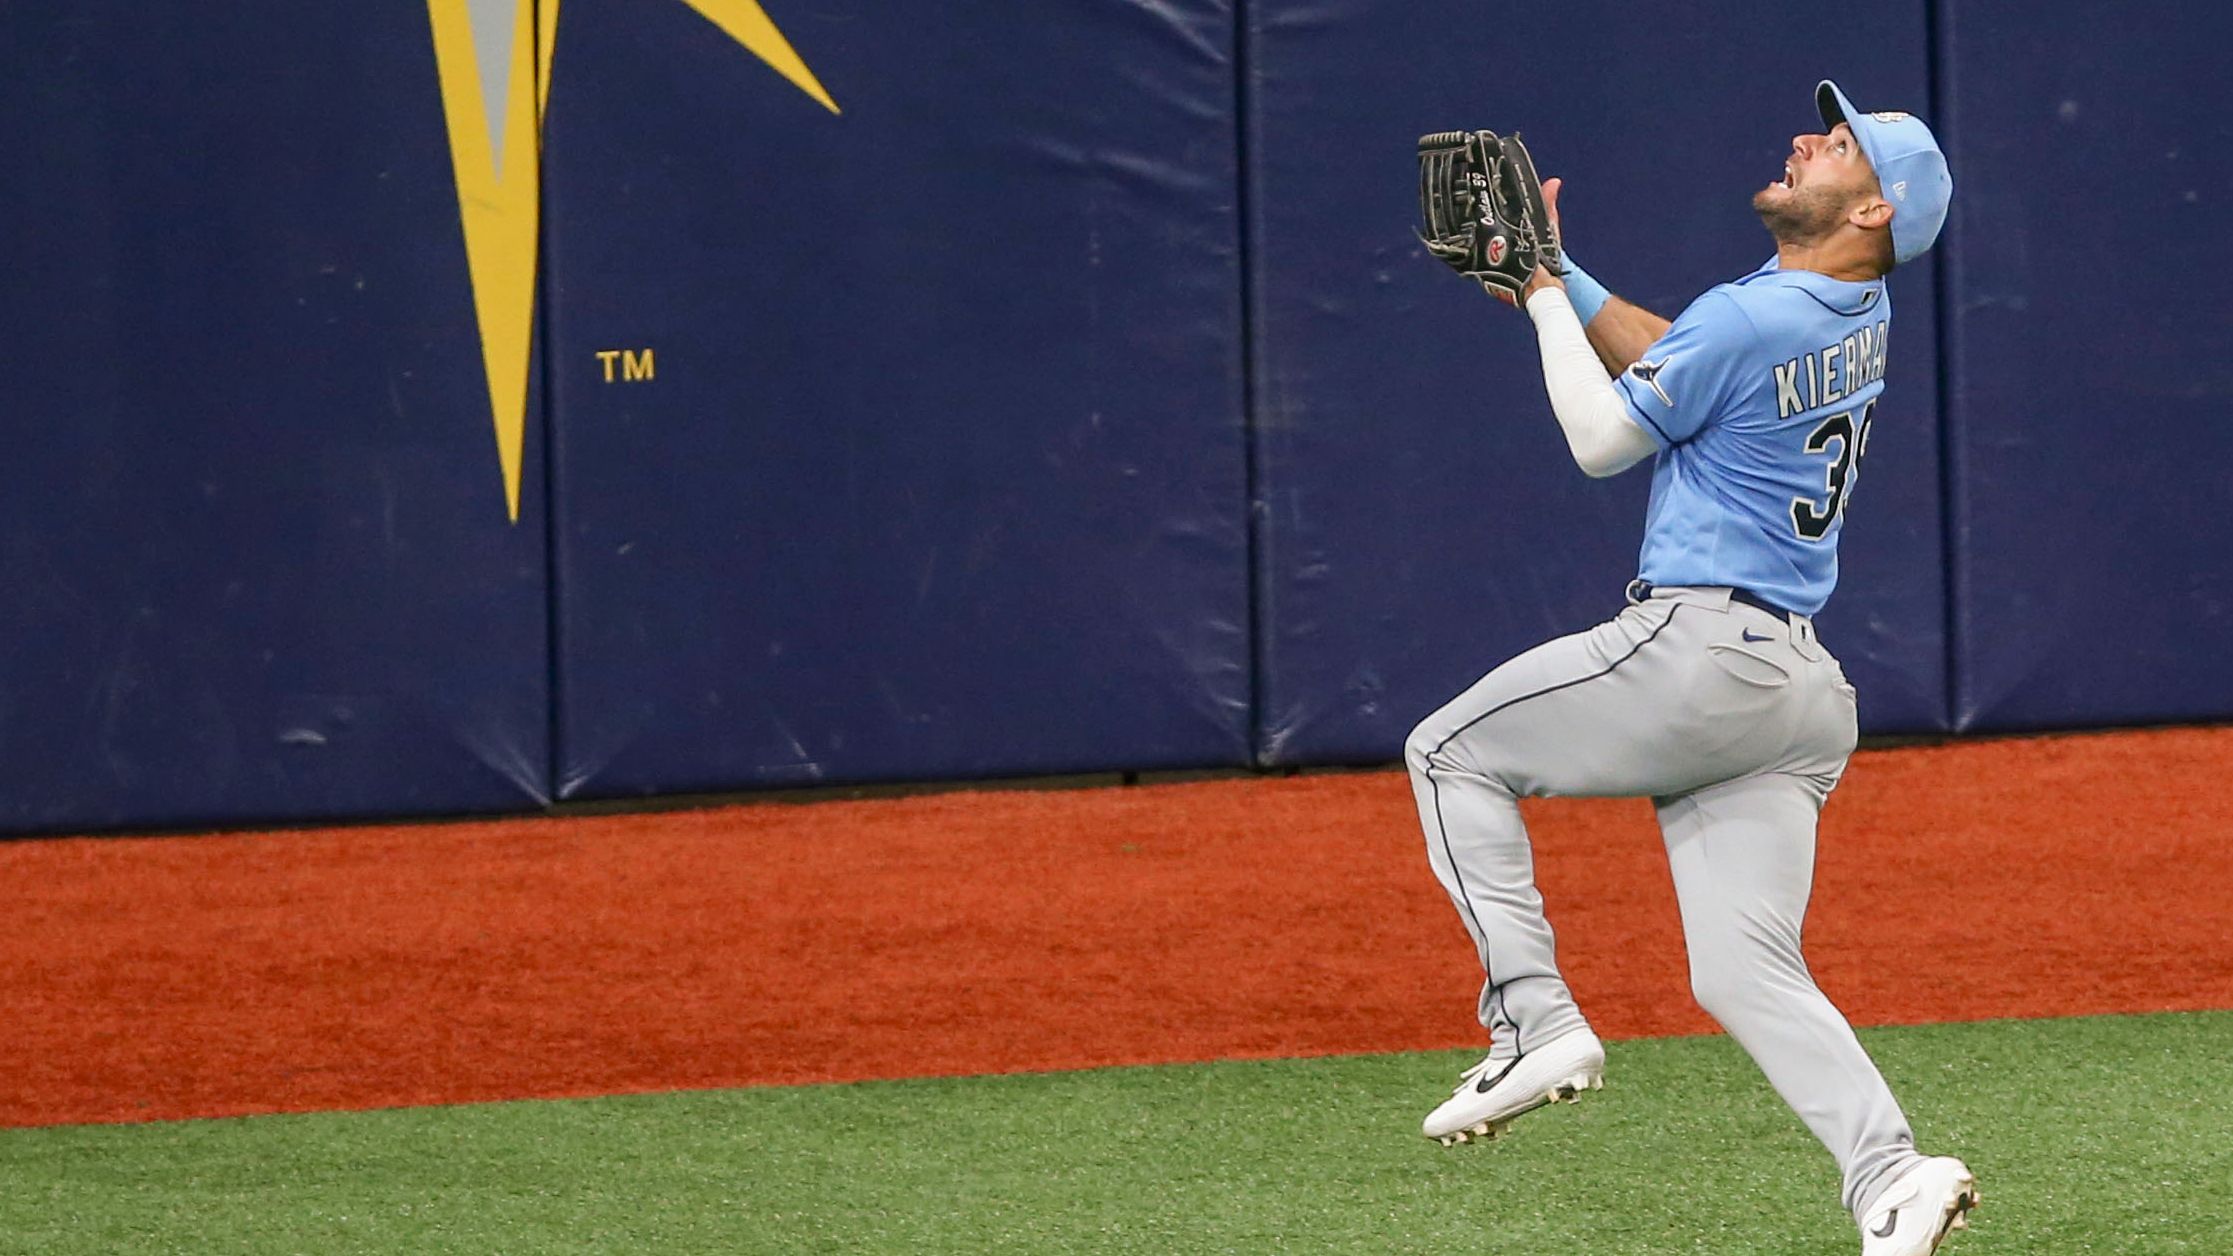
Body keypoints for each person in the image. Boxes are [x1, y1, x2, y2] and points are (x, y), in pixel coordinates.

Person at [1406, 82, 1975, 1256]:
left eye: (1836, 145)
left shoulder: (1760, 313)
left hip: (1701, 656)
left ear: (1870, 206)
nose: (1806, 139)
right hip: (1798, 697)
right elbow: (1682, 361)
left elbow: (1605, 438)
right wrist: (1558, 272)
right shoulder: (1838, 311)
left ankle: (1534, 1020)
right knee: (1743, 966)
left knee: (1448, 750)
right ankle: (1892, 1172)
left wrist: (1543, 294)